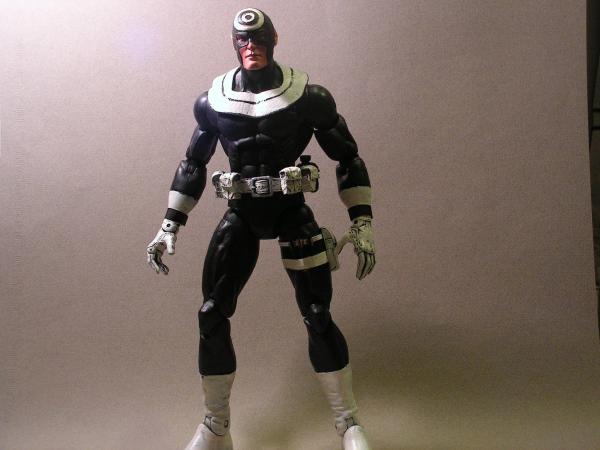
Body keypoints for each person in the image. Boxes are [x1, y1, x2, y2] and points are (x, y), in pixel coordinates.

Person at [147, 8, 376, 450]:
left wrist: (361, 221)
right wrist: (169, 224)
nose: (250, 47)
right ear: (234, 44)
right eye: (242, 41)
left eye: (258, 39)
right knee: (211, 314)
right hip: (243, 214)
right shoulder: (213, 101)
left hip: (291, 211)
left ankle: (348, 423)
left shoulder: (307, 97)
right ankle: (216, 426)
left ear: (274, 40)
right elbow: (193, 164)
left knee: (318, 315)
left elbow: (348, 157)